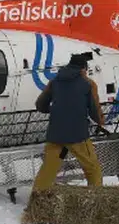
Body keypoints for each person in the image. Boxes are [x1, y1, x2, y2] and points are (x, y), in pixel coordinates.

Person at [32, 52, 106, 190]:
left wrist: (58, 111)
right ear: (83, 68)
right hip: (78, 136)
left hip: (56, 136)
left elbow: (40, 105)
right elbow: (95, 111)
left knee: (48, 170)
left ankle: (37, 201)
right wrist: (102, 121)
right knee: (92, 168)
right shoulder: (88, 84)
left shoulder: (54, 82)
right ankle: (96, 198)